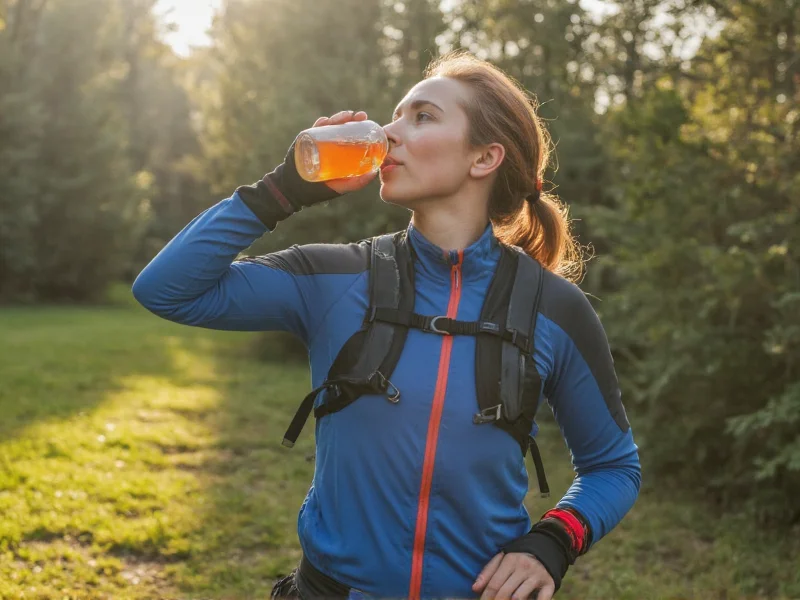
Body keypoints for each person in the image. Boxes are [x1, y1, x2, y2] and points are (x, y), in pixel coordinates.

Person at [132, 50, 641, 600]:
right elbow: (166, 290)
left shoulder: (555, 308)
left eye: (422, 116)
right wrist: (283, 188)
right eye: (396, 115)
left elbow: (613, 466)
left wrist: (553, 542)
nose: (390, 133)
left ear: (484, 157)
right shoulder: (332, 277)